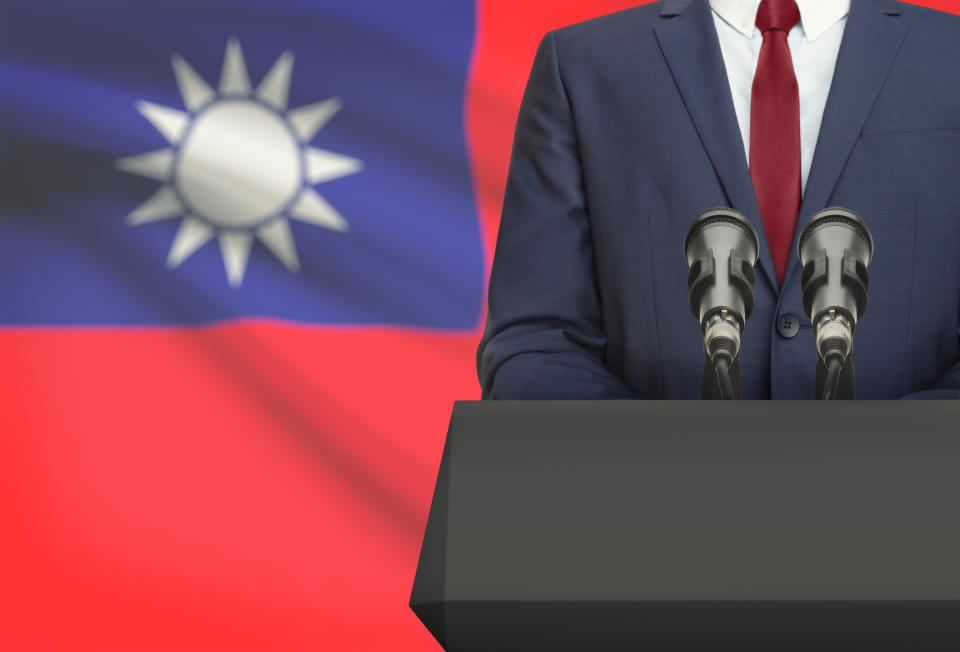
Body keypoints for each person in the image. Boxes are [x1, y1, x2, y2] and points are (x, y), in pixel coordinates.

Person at [477, 0, 960, 400]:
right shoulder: (585, 64)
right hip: (648, 507)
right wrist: (665, 467)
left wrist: (893, 460)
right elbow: (535, 343)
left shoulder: (949, 56)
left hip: (913, 505)